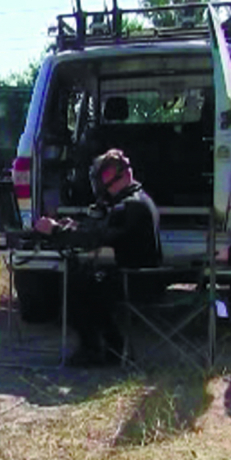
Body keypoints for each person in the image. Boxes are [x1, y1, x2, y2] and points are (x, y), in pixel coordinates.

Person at [33, 149, 161, 366]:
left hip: (139, 280)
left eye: (106, 178)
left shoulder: (131, 205)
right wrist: (71, 227)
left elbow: (97, 237)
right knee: (86, 281)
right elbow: (98, 230)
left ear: (123, 175)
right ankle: (110, 347)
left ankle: (95, 349)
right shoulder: (133, 200)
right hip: (135, 274)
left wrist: (56, 231)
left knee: (78, 286)